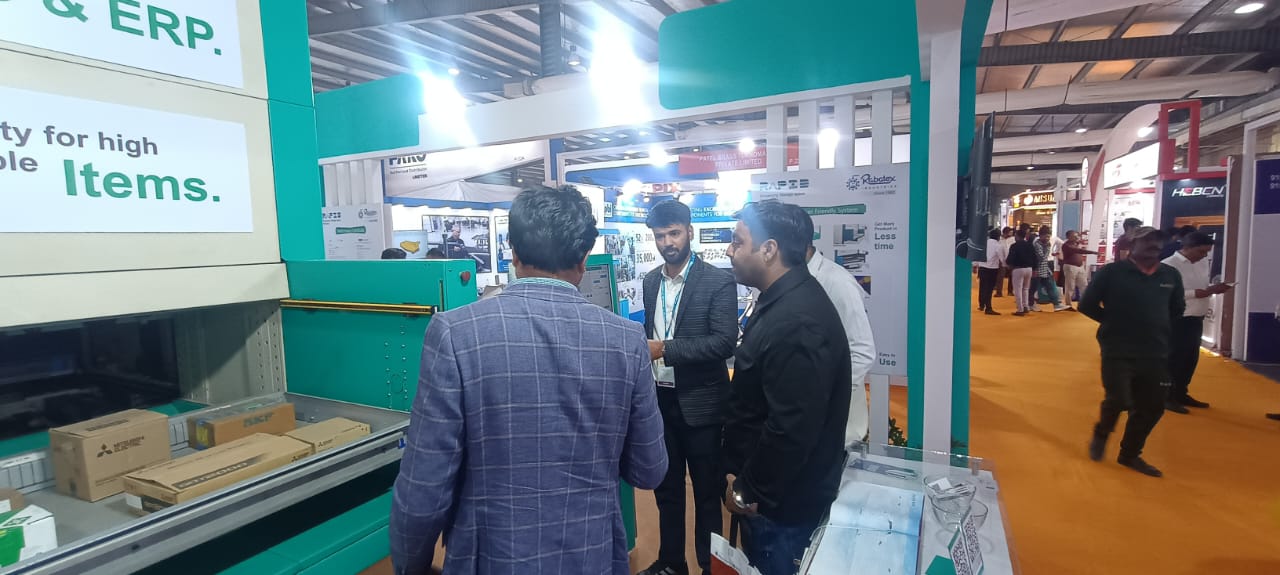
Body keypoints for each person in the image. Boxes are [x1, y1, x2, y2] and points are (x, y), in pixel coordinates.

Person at [390, 186, 668, 575]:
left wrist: (411, 566)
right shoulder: (627, 340)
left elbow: (423, 488)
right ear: (584, 257)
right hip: (592, 556)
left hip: (491, 560)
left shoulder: (456, 334)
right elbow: (649, 469)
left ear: (513, 252)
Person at [722, 201, 850, 575]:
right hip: (774, 501)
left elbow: (790, 429)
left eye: (737, 241)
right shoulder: (783, 301)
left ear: (769, 249)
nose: (729, 251)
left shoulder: (797, 321)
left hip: (781, 510)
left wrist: (749, 491)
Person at [639, 201, 738, 575]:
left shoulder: (717, 281)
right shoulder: (651, 282)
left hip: (702, 405)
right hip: (660, 401)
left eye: (674, 233)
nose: (667, 242)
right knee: (666, 489)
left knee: (707, 492)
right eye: (660, 235)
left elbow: (724, 342)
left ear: (690, 232)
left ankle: (710, 566)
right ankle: (671, 563)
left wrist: (665, 349)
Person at [1080, 227, 1185, 478]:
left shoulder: (1170, 275)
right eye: (1147, 240)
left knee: (1153, 406)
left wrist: (1156, 327)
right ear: (1131, 244)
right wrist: (1113, 323)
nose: (1154, 245)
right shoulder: (1112, 272)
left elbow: (1176, 309)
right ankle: (1102, 431)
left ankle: (1130, 454)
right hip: (1118, 348)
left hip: (1155, 350)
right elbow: (1087, 304)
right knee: (1119, 399)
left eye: (1157, 241)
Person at [802, 213, 876, 445]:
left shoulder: (836, 282)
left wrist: (820, 395)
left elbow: (862, 351)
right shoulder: (793, 280)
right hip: (803, 425)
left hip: (837, 430)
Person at [1161, 232, 1231, 414]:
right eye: (1201, 251)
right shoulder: (1169, 265)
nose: (1204, 255)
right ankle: (1166, 396)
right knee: (1174, 359)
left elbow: (1201, 286)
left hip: (1196, 316)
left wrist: (1212, 289)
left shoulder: (1201, 263)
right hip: (1178, 318)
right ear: (1188, 247)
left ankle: (1180, 392)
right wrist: (1196, 293)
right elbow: (1165, 292)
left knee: (1190, 359)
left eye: (1207, 252)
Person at [1032, 228, 1070, 312]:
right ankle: (1031, 304)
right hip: (1037, 269)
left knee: (1051, 286)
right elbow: (1042, 257)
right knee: (1033, 288)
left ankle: (1056, 304)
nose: (1047, 238)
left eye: (1049, 237)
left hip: (1046, 268)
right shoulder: (1036, 244)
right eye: (1046, 236)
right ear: (1040, 236)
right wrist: (1048, 249)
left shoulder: (1047, 243)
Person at [1060, 230, 1098, 310]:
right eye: (1074, 236)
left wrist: (1081, 234)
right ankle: (1068, 305)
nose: (1076, 237)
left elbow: (1077, 239)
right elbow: (1079, 250)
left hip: (1080, 267)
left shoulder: (1075, 243)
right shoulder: (1066, 245)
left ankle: (1085, 304)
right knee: (1070, 286)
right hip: (1070, 267)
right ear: (1068, 237)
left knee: (1084, 285)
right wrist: (1093, 252)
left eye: (1076, 236)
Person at [1005, 229, 1038, 317]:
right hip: (1029, 269)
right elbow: (1035, 257)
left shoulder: (1014, 246)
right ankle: (1025, 306)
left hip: (1018, 269)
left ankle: (1020, 309)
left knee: (1018, 290)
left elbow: (1010, 259)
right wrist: (1035, 269)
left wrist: (1008, 264)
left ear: (1017, 236)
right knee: (1026, 289)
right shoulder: (1030, 245)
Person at [977, 228, 1004, 315]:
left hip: (982, 267)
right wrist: (1005, 265)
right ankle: (988, 308)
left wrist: (976, 265)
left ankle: (981, 304)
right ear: (998, 237)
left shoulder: (983, 244)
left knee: (982, 287)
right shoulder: (998, 246)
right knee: (989, 289)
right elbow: (1002, 258)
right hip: (992, 269)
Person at [997, 227, 1015, 298]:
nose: (1011, 234)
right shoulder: (999, 240)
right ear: (1005, 233)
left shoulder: (1013, 239)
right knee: (1000, 276)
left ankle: (1010, 291)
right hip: (1001, 260)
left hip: (1011, 259)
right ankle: (999, 292)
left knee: (1011, 276)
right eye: (1010, 232)